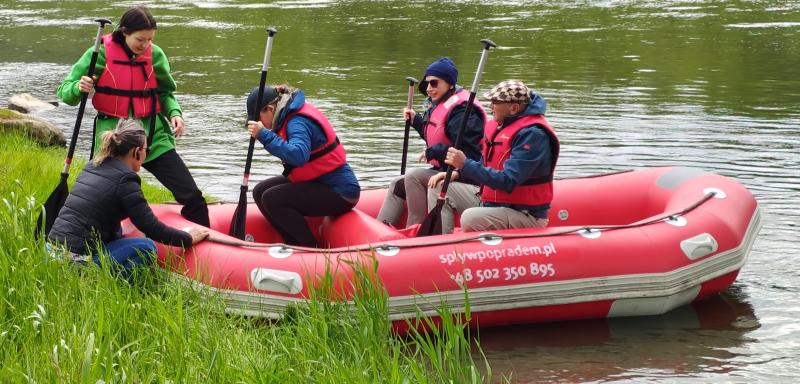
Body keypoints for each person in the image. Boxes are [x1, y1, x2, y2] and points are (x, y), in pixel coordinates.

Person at [56, 5, 209, 227]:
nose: (146, 45)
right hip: (114, 141)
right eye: (140, 39)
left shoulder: (155, 55)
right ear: (124, 32)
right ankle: (102, 244)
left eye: (150, 39)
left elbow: (165, 93)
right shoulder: (99, 54)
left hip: (152, 137)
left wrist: (175, 113)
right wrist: (79, 87)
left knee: (193, 196)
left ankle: (205, 248)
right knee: (105, 200)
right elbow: (65, 92)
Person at [47, 120, 209, 279]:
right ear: (137, 151)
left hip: (51, 252)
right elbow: (151, 227)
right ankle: (98, 281)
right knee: (147, 248)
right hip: (75, 260)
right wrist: (188, 238)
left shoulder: (93, 164)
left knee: (119, 233)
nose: (147, 153)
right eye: (147, 149)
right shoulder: (126, 179)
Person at [427, 80, 559, 233]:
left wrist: (465, 164)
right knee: (438, 187)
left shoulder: (533, 135)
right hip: (493, 204)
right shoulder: (499, 126)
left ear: (514, 108)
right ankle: (441, 246)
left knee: (470, 217)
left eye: (495, 102)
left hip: (525, 213)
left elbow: (508, 181)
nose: (491, 106)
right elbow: (486, 164)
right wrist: (458, 173)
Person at [376, 57, 485, 228]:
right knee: (398, 183)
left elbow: (469, 152)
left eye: (434, 83)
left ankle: (415, 228)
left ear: (449, 83)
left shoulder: (463, 112)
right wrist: (417, 121)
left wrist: (434, 151)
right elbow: (437, 134)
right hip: (443, 169)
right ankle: (379, 234)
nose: (428, 89)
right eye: (427, 84)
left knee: (412, 176)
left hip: (465, 176)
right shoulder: (442, 103)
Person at [246, 85, 360, 248]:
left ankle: (309, 248)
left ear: (270, 109)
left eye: (258, 118)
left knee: (272, 198)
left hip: (340, 192)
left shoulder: (296, 121)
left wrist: (264, 135)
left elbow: (298, 155)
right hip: (318, 181)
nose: (258, 123)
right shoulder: (286, 115)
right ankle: (291, 243)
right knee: (260, 191)